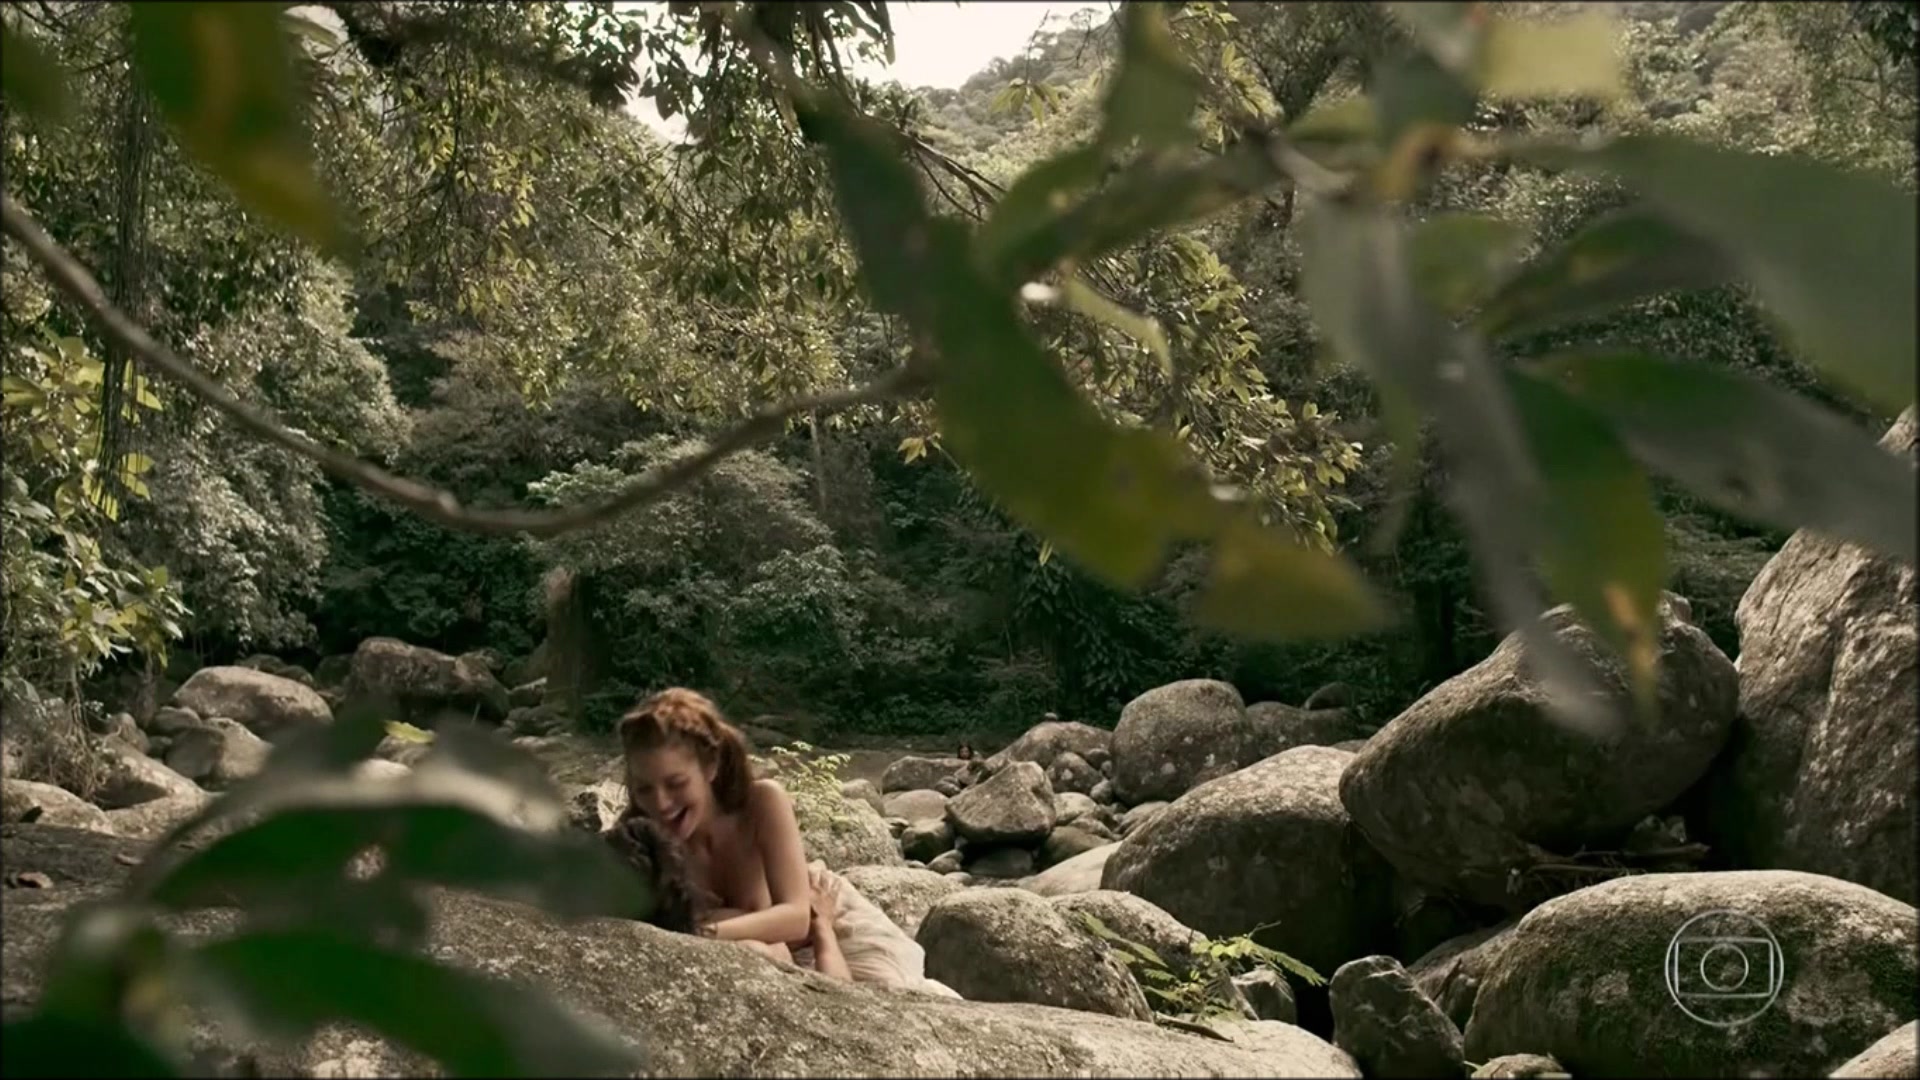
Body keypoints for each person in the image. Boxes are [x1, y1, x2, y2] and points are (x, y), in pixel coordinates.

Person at [615, 687, 957, 995]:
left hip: (823, 914)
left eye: (676, 784)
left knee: (891, 1001)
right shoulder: (639, 838)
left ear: (710, 767)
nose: (660, 803)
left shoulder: (761, 801)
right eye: (644, 789)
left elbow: (795, 917)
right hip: (756, 944)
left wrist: (699, 934)